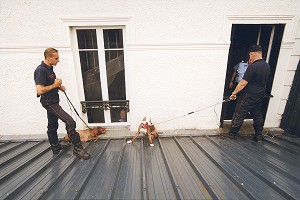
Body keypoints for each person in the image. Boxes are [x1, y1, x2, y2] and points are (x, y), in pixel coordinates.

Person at [34, 48, 90, 159]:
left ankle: (55, 146)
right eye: (56, 58)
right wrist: (55, 85)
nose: (58, 60)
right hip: (49, 102)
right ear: (48, 57)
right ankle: (78, 149)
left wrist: (59, 87)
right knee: (70, 121)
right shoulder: (40, 70)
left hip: (54, 101)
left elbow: (49, 85)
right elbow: (39, 90)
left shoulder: (50, 69)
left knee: (52, 124)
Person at [228, 45, 270, 142]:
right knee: (257, 115)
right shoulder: (266, 66)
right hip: (259, 95)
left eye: (250, 55)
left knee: (239, 113)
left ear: (252, 54)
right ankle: (259, 136)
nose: (249, 57)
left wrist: (234, 93)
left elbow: (243, 82)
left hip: (248, 95)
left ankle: (231, 135)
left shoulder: (253, 67)